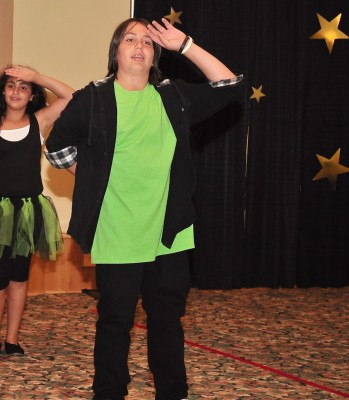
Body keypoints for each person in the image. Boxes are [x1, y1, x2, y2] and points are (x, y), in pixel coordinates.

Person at [44, 17, 243, 400]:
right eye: (130, 39)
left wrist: (185, 46)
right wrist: (90, 175)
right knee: (115, 322)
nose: (139, 46)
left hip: (169, 232)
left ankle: (172, 392)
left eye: (147, 42)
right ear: (115, 51)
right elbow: (55, 147)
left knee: (166, 321)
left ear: (155, 55)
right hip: (118, 231)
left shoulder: (173, 96)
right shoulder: (93, 99)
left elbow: (230, 86)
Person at [0, 65, 73, 356]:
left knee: (19, 276)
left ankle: (13, 339)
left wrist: (37, 77)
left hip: (28, 211)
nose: (16, 92)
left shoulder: (39, 121)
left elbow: (71, 96)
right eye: (11, 86)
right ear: (2, 92)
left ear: (32, 95)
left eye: (23, 87)